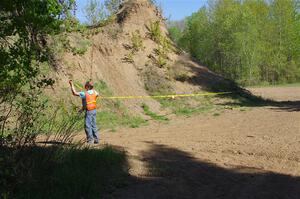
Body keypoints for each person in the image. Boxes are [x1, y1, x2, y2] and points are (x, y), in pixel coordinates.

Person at [69, 80, 100, 144]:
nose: (84, 87)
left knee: (88, 125)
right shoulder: (95, 92)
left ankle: (90, 140)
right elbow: (97, 95)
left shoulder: (84, 94)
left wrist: (71, 84)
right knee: (94, 125)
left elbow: (74, 93)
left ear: (87, 87)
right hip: (94, 110)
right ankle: (96, 139)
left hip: (89, 111)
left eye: (85, 86)